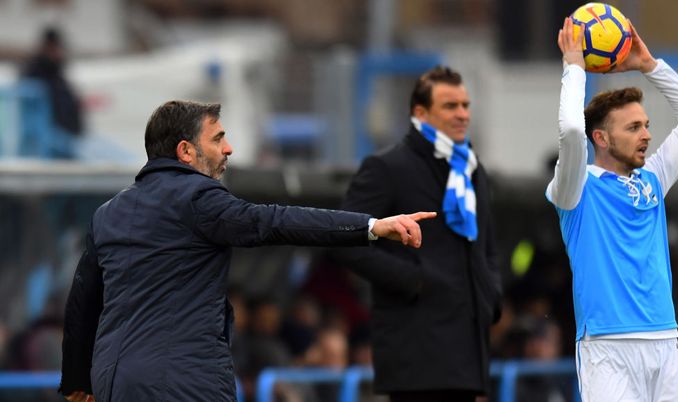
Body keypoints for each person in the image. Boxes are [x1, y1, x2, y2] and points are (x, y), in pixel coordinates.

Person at [58, 100, 436, 402]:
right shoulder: (198, 197)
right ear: (186, 151)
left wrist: (78, 381)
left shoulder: (108, 214)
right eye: (218, 138)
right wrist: (369, 227)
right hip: (182, 382)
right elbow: (273, 221)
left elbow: (83, 303)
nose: (229, 148)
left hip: (113, 381)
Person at [547, 18, 678, 401]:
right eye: (634, 127)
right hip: (607, 347)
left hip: (665, 340)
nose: (647, 135)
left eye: (647, 125)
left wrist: (651, 65)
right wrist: (574, 66)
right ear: (601, 138)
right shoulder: (575, 188)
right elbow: (572, 131)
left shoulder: (653, 178)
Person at [338, 66, 502, 402]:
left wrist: (490, 298)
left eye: (465, 105)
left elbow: (485, 248)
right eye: (450, 106)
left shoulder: (471, 168)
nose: (462, 114)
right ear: (420, 113)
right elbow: (345, 239)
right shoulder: (387, 167)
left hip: (468, 352)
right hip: (415, 353)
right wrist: (415, 280)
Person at [21, 26, 83, 156]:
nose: (59, 53)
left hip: (67, 135)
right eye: (56, 48)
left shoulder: (57, 75)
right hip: (51, 137)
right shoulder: (36, 74)